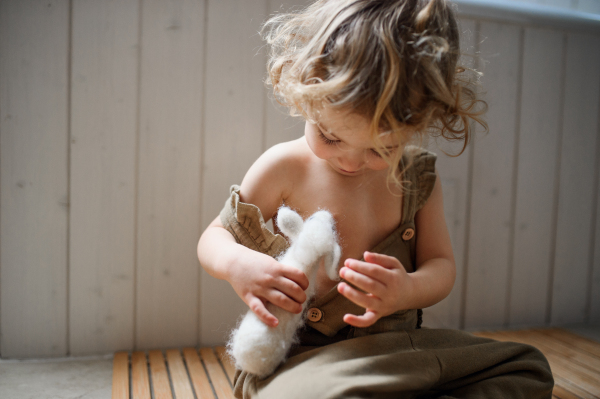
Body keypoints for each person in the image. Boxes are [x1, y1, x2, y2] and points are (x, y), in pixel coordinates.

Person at [197, 0, 554, 397]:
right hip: (303, 362)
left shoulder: (417, 178)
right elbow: (215, 236)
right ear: (306, 91)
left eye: (381, 149)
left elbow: (441, 267)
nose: (350, 161)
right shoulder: (284, 167)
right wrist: (237, 264)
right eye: (331, 136)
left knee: (526, 367)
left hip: (397, 352)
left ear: (418, 122)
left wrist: (407, 290)